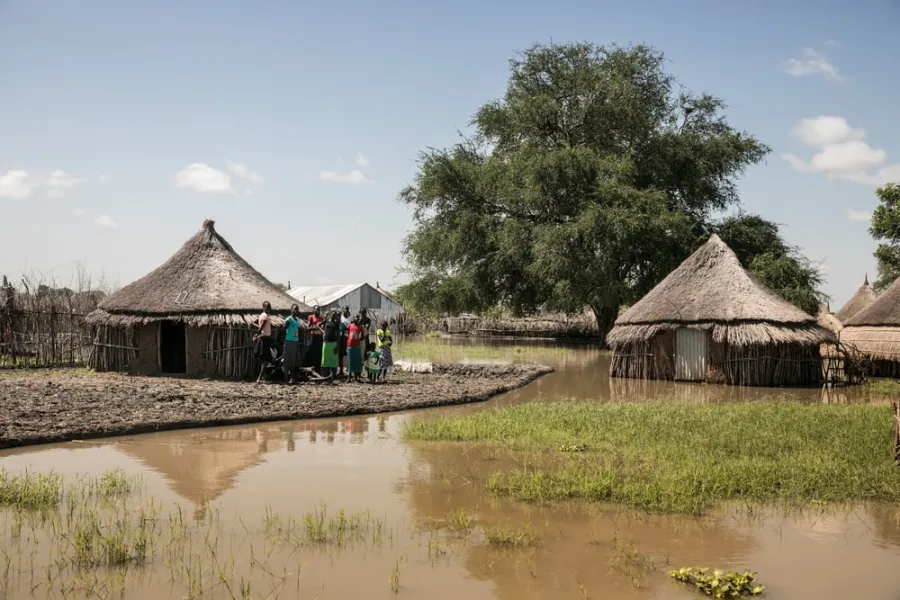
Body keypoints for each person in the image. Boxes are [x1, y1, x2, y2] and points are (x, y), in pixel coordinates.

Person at [253, 301, 273, 383]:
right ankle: (259, 378)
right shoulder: (265, 316)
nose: (269, 309)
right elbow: (261, 327)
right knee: (266, 360)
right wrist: (256, 334)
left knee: (263, 359)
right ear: (263, 308)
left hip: (263, 338)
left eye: (269, 307)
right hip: (265, 339)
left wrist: (258, 334)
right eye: (267, 307)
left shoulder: (261, 315)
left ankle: (262, 376)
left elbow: (256, 322)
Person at [283, 304, 303, 384]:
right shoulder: (289, 319)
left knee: (293, 361)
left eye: (297, 309)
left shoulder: (297, 320)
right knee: (287, 360)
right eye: (294, 309)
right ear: (291, 310)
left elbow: (297, 330)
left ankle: (292, 378)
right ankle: (286, 379)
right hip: (289, 341)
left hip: (295, 341)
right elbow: (284, 328)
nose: (296, 310)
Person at [321, 311, 341, 380]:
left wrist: (337, 347)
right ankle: (325, 376)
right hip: (326, 343)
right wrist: (323, 334)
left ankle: (333, 376)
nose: (333, 316)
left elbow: (338, 336)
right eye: (332, 315)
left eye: (334, 315)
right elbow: (319, 326)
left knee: (333, 361)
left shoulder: (336, 324)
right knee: (325, 361)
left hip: (333, 343)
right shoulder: (326, 323)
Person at [306, 306, 325, 372]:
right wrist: (316, 328)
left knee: (319, 353)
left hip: (320, 337)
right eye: (316, 310)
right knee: (312, 352)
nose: (318, 311)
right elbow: (308, 328)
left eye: (319, 310)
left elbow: (323, 327)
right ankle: (311, 368)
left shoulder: (321, 318)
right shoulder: (311, 317)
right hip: (313, 336)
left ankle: (318, 369)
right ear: (314, 310)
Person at [346, 315, 364, 383]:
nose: (357, 319)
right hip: (350, 345)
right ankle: (349, 377)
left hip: (357, 346)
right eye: (356, 318)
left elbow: (362, 336)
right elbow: (346, 333)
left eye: (358, 318)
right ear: (354, 319)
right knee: (350, 361)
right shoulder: (350, 325)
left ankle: (356, 378)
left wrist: (358, 338)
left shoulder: (360, 327)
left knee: (356, 361)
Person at [338, 305, 351, 377]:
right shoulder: (341, 317)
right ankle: (341, 371)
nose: (346, 310)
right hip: (341, 338)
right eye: (345, 309)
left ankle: (349, 370)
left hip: (348, 338)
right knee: (341, 354)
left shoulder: (350, 318)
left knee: (348, 354)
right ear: (343, 310)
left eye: (347, 309)